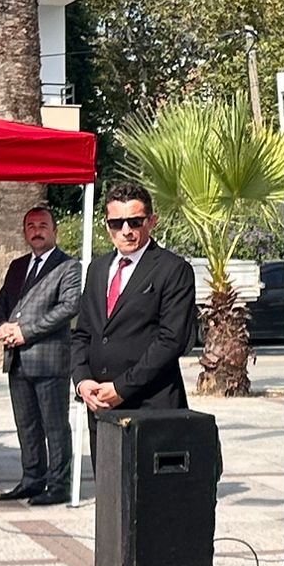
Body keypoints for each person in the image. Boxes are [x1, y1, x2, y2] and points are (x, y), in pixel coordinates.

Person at [72, 182, 196, 427]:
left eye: (135, 221)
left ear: (151, 221)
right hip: (101, 405)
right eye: (116, 223)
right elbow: (83, 333)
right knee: (106, 467)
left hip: (151, 405)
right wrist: (82, 381)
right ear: (108, 226)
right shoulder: (97, 269)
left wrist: (122, 387)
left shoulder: (173, 269)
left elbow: (171, 340)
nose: (126, 230)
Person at [0, 206, 80, 507]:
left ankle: (58, 484)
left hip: (49, 359)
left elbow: (68, 308)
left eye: (43, 225)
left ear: (54, 230)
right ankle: (32, 479)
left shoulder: (68, 266)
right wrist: (2, 326)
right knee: (26, 424)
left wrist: (25, 331)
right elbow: (1, 303)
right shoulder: (17, 266)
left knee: (54, 425)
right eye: (31, 225)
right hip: (17, 359)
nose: (37, 230)